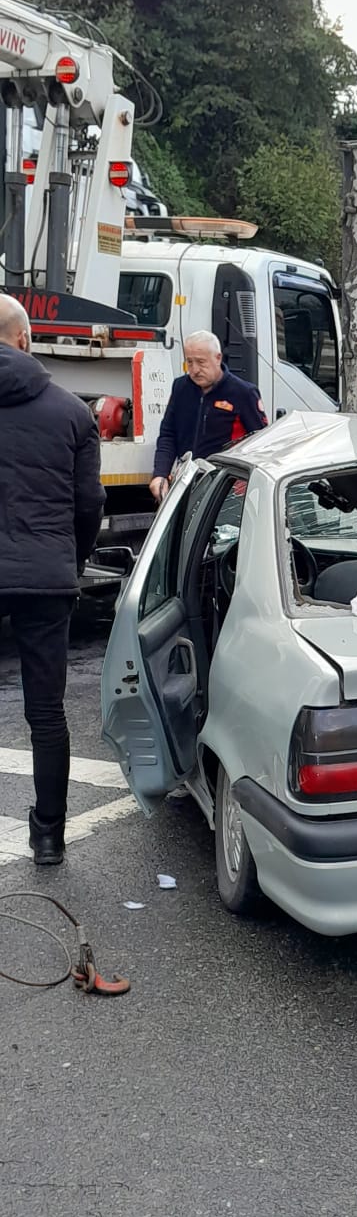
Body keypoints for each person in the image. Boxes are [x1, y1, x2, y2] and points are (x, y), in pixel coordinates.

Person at [0, 292, 104, 866]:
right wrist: (75, 560)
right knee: (46, 713)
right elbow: (89, 503)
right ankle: (48, 837)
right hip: (45, 574)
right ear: (24, 339)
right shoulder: (71, 411)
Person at [150, 331, 268, 502]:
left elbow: (262, 443)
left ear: (218, 358)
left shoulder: (243, 393)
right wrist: (160, 473)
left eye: (201, 362)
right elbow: (168, 434)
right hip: (186, 483)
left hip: (226, 489)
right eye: (189, 362)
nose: (195, 370)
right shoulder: (180, 388)